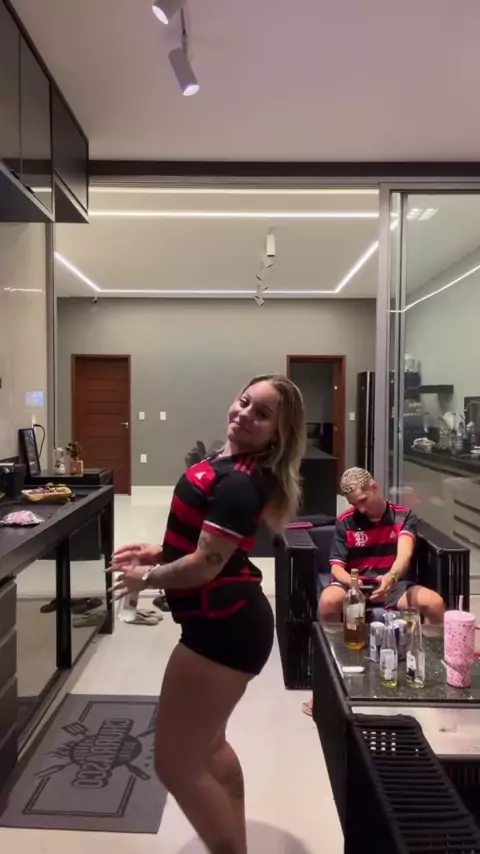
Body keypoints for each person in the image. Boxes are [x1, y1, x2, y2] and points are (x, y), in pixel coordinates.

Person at [111, 374, 306, 854]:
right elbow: (210, 546)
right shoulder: (225, 462)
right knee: (209, 747)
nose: (245, 414)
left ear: (277, 435)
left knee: (176, 765)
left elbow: (204, 566)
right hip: (230, 622)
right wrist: (160, 552)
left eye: (262, 414)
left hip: (223, 632)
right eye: (245, 401)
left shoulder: (238, 482)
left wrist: (145, 578)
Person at [302, 466, 445, 716]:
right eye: (354, 504)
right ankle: (326, 687)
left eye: (363, 500)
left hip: (393, 584)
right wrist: (353, 584)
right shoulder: (346, 521)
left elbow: (404, 555)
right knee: (328, 601)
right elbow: (336, 567)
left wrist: (391, 577)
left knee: (434, 603)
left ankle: (430, 674)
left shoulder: (403, 516)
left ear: (374, 487)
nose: (361, 509)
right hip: (355, 584)